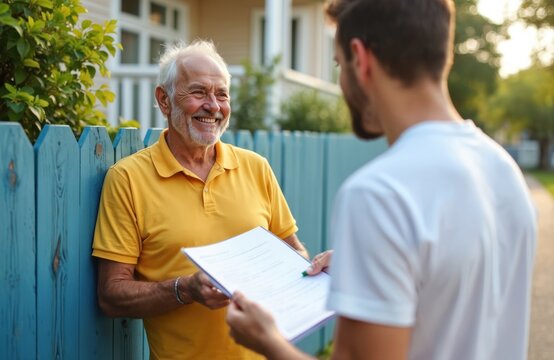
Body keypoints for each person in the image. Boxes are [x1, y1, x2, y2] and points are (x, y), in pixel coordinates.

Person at [225, 1, 537, 359]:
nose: (341, 81)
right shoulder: (505, 170)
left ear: (361, 58)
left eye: (339, 64)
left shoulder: (378, 194)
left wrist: (267, 341)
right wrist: (385, 266)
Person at [92, 39, 308, 360]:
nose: (213, 106)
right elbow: (111, 295)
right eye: (198, 92)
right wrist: (185, 289)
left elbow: (294, 252)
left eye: (221, 94)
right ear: (164, 100)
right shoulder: (128, 179)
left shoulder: (255, 167)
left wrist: (311, 270)